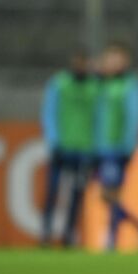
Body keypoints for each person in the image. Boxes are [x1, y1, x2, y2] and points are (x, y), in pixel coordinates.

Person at [40, 48, 100, 247]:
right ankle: (46, 231)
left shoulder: (94, 87)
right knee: (53, 191)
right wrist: (53, 139)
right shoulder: (60, 83)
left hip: (83, 150)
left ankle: (68, 233)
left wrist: (94, 146)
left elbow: (98, 118)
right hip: (61, 148)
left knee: (77, 193)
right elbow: (49, 111)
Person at [95, 42, 138, 251]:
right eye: (110, 58)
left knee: (110, 194)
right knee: (108, 195)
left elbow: (134, 115)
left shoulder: (129, 84)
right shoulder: (102, 84)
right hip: (102, 147)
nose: (113, 63)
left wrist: (129, 144)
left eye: (117, 59)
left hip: (118, 148)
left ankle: (112, 239)